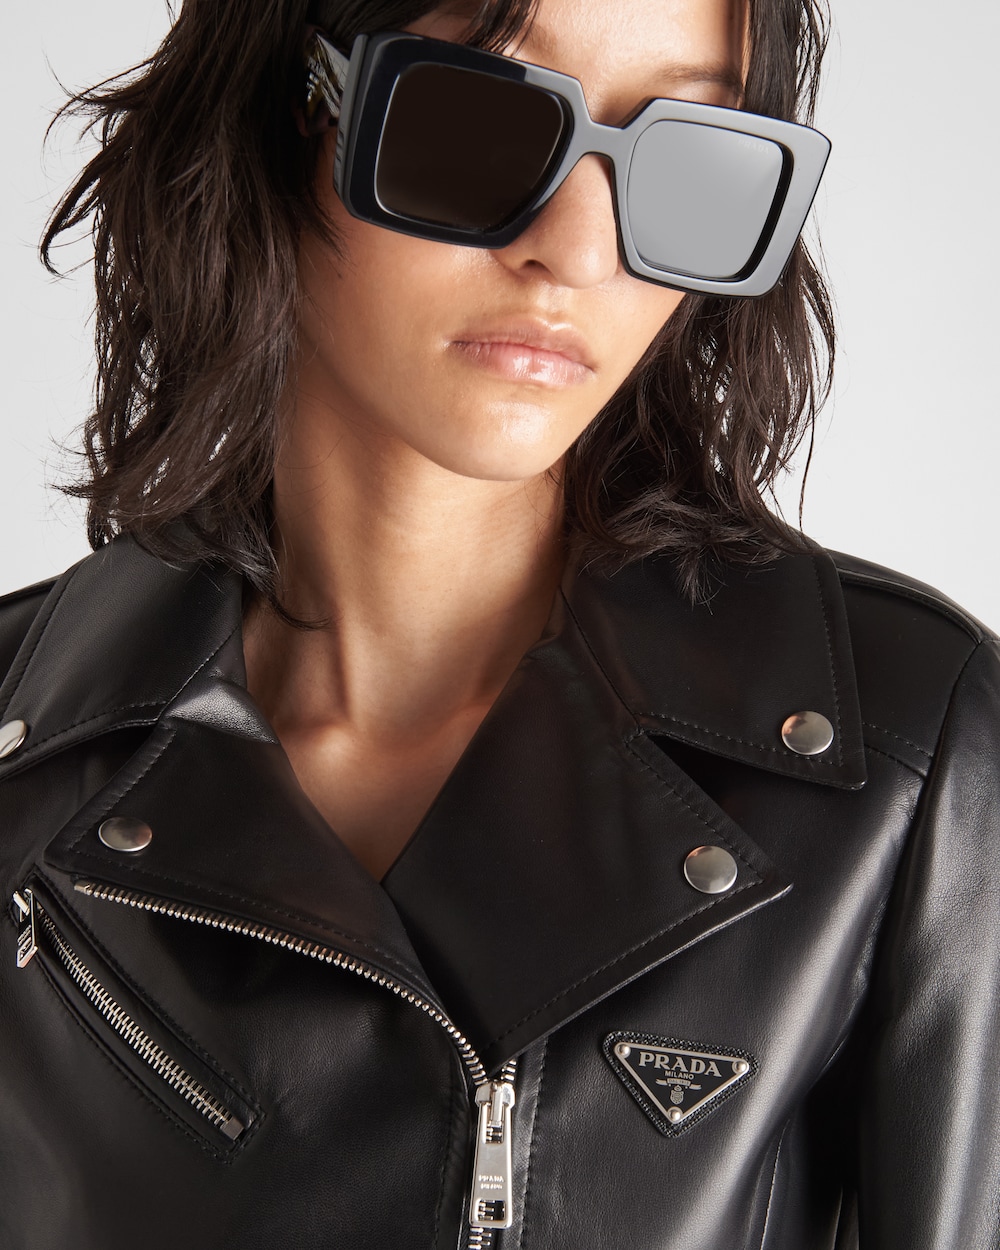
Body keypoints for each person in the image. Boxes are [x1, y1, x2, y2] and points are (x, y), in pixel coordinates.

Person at [1, 0, 997, 1247]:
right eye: (478, 121)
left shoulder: (897, 750)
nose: (576, 249)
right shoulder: (29, 752)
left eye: (689, 153)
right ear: (282, 107)